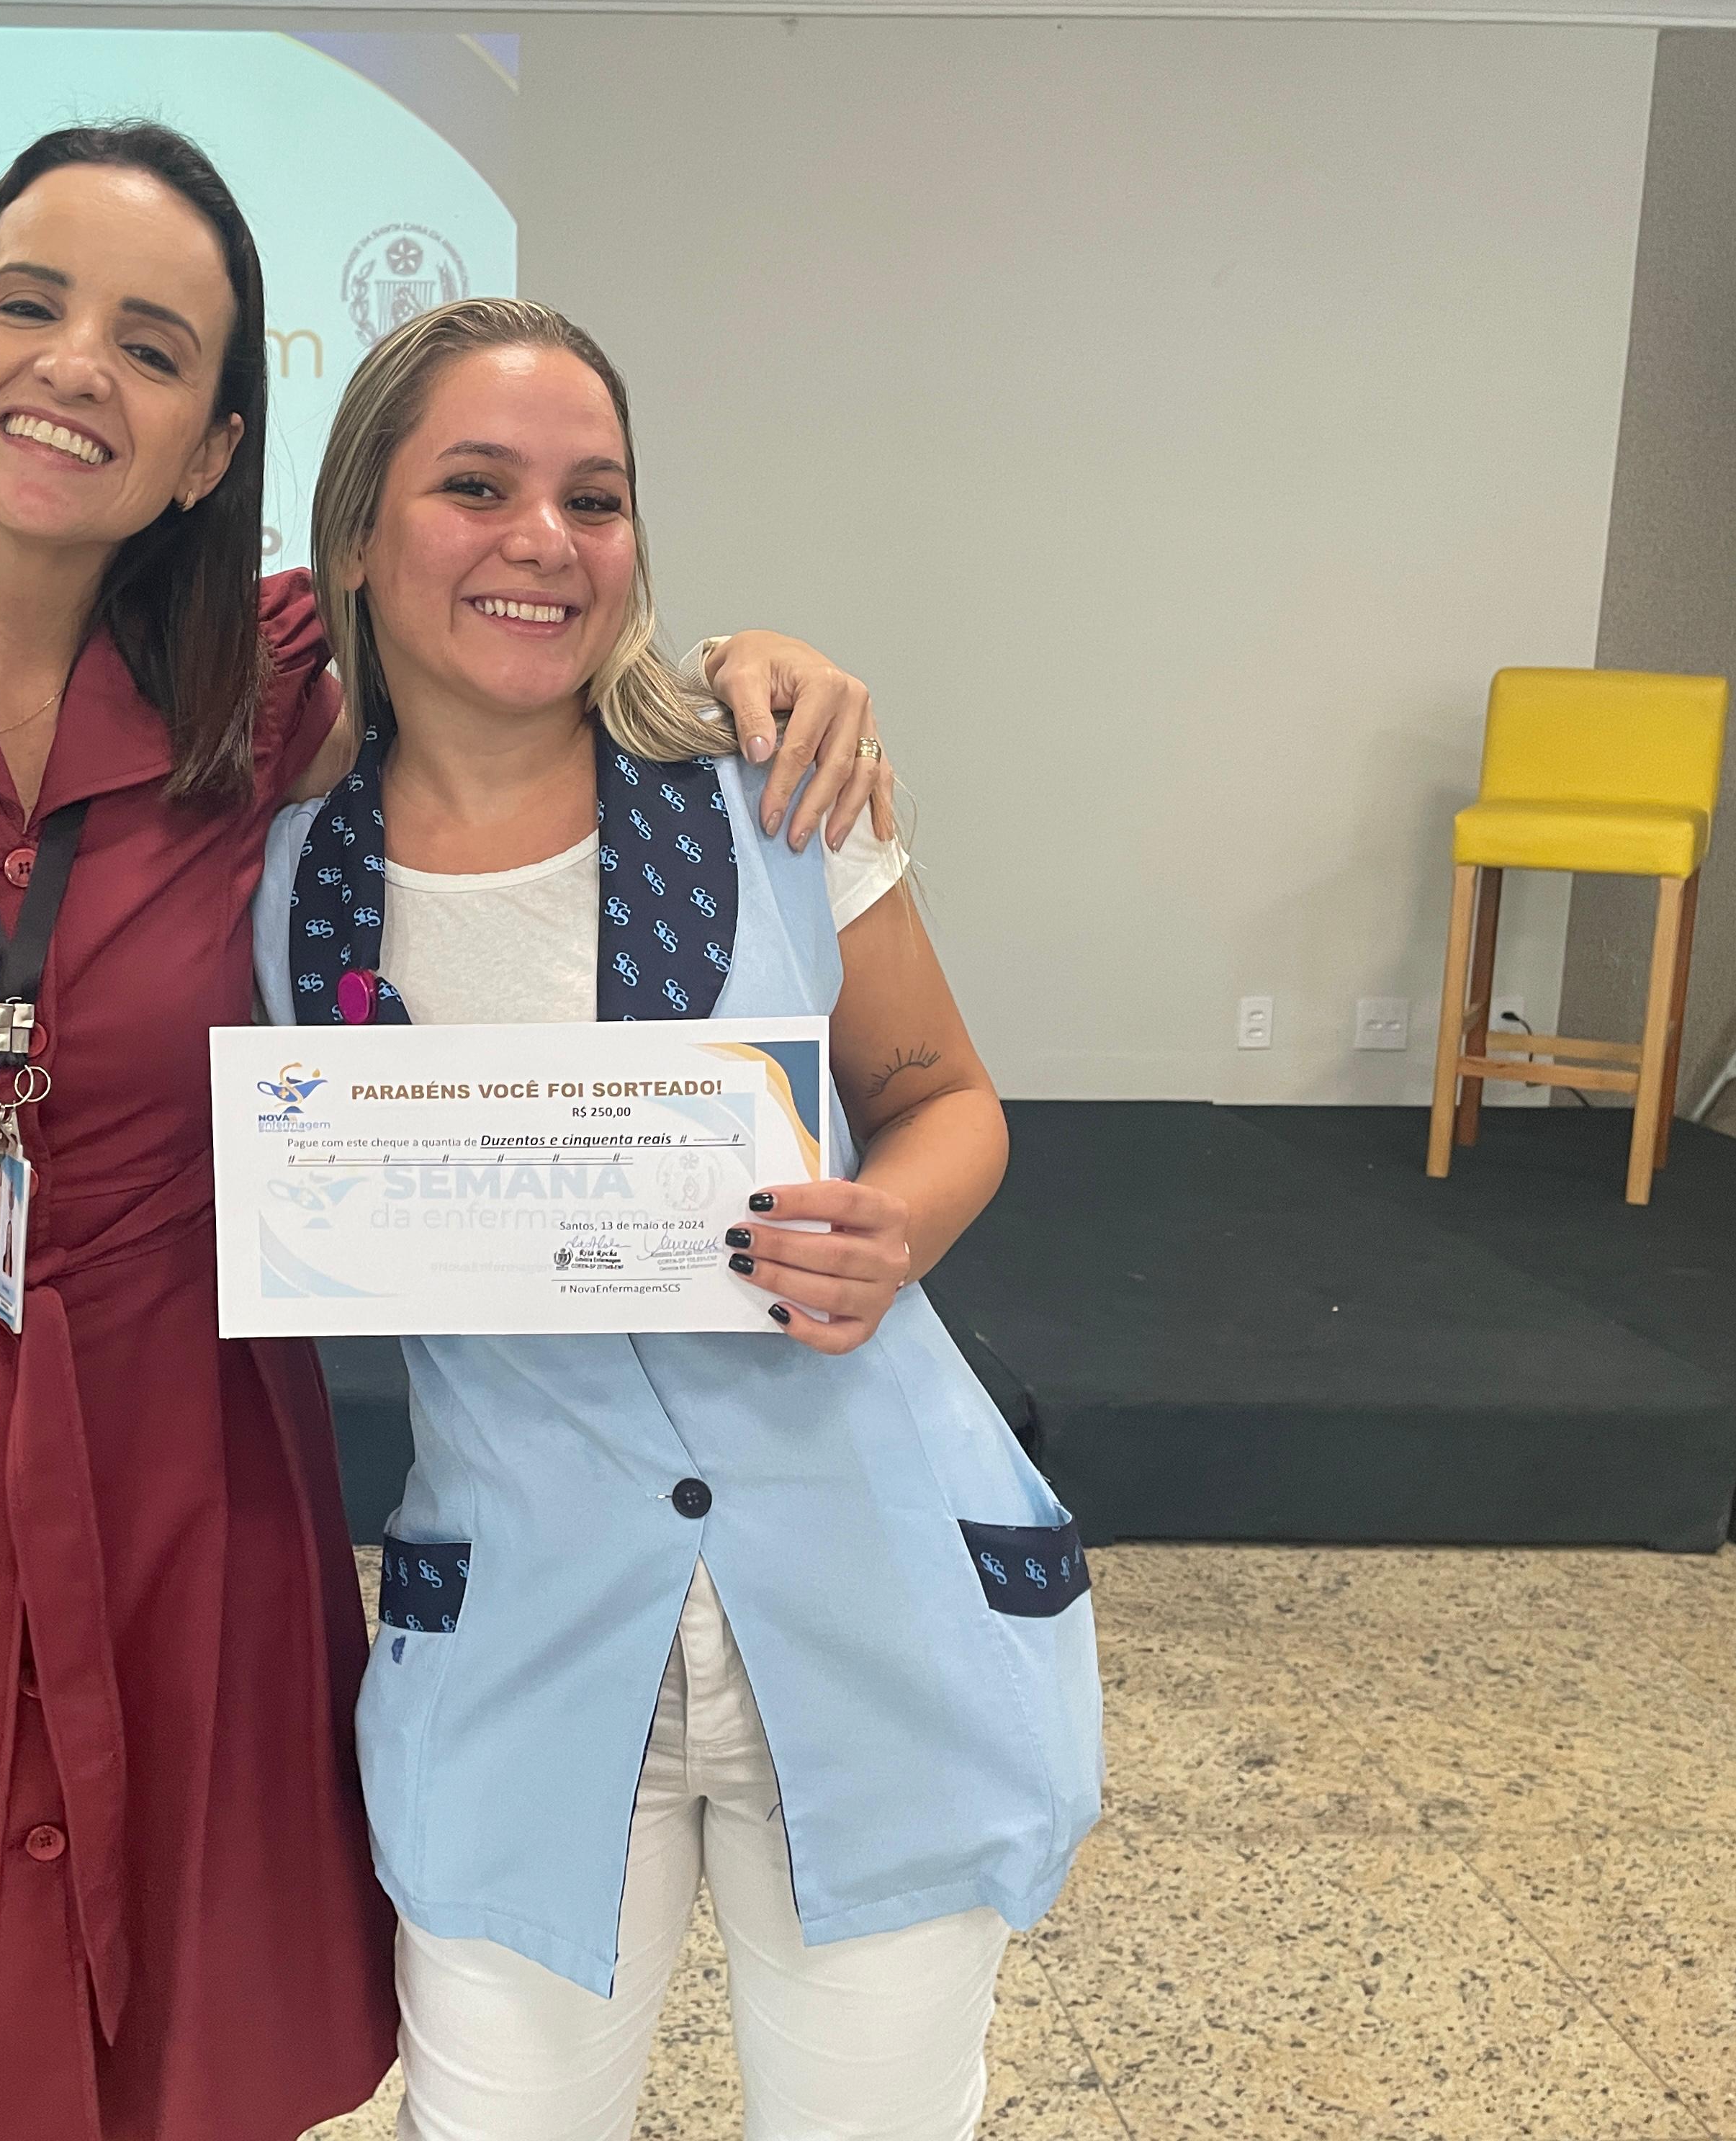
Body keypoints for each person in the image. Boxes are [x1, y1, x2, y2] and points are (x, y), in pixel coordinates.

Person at [0, 122, 896, 2141]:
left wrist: (736, 666)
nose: (80, 363)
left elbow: (504, 629)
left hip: (175, 1431)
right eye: (31, 305)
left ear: (208, 448)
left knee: (175, 2003)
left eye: (156, 347)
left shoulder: (267, 700)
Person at [249, 297, 1104, 2141]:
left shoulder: (775, 795)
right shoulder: (280, 878)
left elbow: (947, 1099)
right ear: (359, 535)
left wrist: (893, 1227)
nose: (545, 541)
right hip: (529, 1639)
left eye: (596, 496)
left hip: (870, 1605)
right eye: (476, 487)